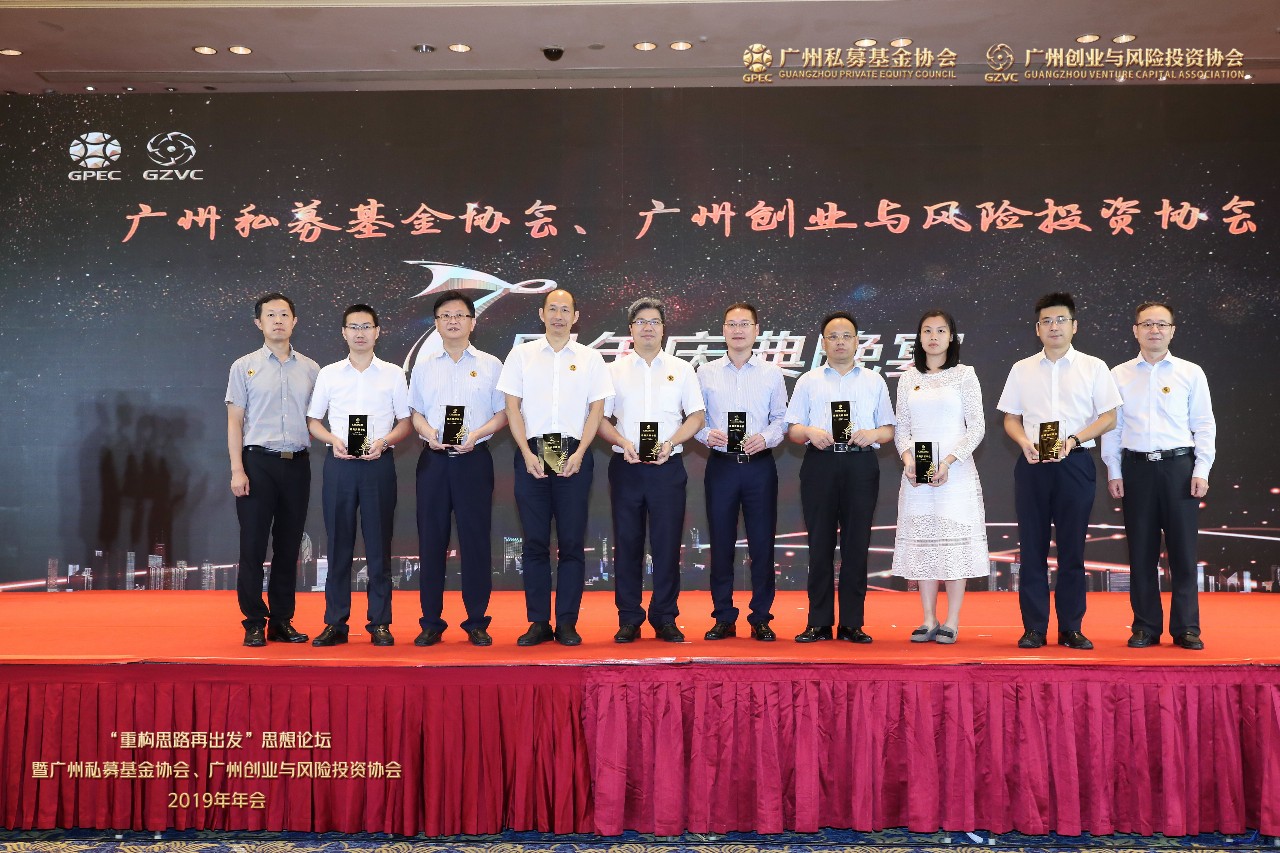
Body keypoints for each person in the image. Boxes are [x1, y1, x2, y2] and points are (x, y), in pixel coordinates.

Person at [997, 292, 1121, 650]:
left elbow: (1109, 417)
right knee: (1031, 549)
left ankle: (1071, 628)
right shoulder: (1022, 369)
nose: (1054, 327)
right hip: (1033, 464)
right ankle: (1034, 627)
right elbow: (1010, 418)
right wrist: (1023, 442)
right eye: (1047, 321)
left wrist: (1075, 439)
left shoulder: (1094, 367)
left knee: (1072, 549)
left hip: (1075, 462)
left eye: (1061, 320)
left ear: (1074, 326)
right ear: (1037, 329)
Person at [498, 289, 613, 646]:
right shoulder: (521, 355)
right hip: (532, 453)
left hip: (574, 453)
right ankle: (537, 622)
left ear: (575, 316)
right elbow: (512, 408)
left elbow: (597, 410)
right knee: (534, 542)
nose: (558, 316)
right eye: (553, 309)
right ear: (541, 313)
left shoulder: (591, 358)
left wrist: (581, 452)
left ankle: (566, 622)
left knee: (571, 543)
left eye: (565, 310)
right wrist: (525, 452)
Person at [1101, 302, 1216, 650]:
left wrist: (1201, 468)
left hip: (1179, 468)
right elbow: (1112, 427)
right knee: (1141, 552)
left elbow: (1204, 424)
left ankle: (1187, 628)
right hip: (1136, 469)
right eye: (1147, 324)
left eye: (1162, 324)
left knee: (1183, 553)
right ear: (1135, 330)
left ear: (1172, 331)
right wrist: (1114, 469)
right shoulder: (1118, 374)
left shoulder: (1191, 373)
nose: (1155, 330)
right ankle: (1145, 627)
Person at [597, 297, 705, 643]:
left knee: (667, 545)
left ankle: (664, 616)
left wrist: (671, 442)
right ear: (630, 329)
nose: (648, 327)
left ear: (663, 328)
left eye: (654, 321)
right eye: (641, 321)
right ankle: (629, 617)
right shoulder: (613, 370)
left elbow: (697, 416)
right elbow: (600, 419)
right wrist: (623, 441)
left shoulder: (682, 369)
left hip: (667, 467)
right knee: (627, 544)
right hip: (626, 466)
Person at [306, 304, 413, 647]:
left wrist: (384, 442)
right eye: (353, 327)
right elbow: (313, 421)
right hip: (339, 465)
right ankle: (335, 623)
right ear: (344, 332)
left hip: (378, 465)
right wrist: (332, 439)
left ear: (377, 331)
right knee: (338, 544)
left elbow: (405, 422)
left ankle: (379, 622)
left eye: (366, 326)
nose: (360, 333)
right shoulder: (329, 374)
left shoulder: (393, 374)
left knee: (379, 545)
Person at [786, 311, 895, 644]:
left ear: (857, 341)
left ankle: (852, 623)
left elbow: (888, 430)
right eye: (833, 336)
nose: (840, 342)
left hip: (861, 465)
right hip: (820, 464)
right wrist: (809, 432)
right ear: (823, 343)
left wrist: (871, 433)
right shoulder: (808, 381)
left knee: (856, 545)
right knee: (819, 544)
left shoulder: (874, 380)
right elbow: (793, 430)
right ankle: (818, 622)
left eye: (846, 336)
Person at [408, 290, 508, 648]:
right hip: (434, 462)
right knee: (431, 542)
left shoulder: (491, 365)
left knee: (476, 542)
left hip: (474, 461)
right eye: (445, 316)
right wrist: (428, 434)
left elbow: (503, 413)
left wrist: (477, 435)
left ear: (473, 322)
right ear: (436, 323)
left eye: (460, 315)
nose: (453, 321)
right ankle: (431, 622)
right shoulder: (423, 366)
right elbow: (415, 413)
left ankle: (477, 621)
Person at [226, 293, 319, 647]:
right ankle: (253, 621)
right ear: (258, 323)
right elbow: (234, 422)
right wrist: (237, 469)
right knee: (252, 545)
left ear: (294, 321)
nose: (278, 320)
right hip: (257, 463)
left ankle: (281, 621)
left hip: (297, 464)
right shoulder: (243, 366)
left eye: (284, 314)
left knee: (288, 546)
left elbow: (319, 419)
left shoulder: (311, 369)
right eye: (270, 315)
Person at [891, 310, 989, 644]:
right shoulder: (908, 378)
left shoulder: (964, 375)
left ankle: (952, 620)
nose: (934, 337)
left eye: (941, 330)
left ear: (951, 337)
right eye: (927, 331)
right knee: (924, 544)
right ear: (919, 338)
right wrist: (907, 459)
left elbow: (976, 427)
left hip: (955, 473)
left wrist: (948, 461)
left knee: (953, 544)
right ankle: (928, 618)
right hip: (917, 475)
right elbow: (902, 427)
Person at [696, 303, 789, 642]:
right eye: (732, 324)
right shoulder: (705, 373)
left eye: (744, 324)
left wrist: (765, 438)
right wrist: (706, 434)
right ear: (723, 330)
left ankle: (761, 617)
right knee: (721, 545)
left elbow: (782, 419)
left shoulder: (771, 373)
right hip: (721, 467)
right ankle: (723, 617)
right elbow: (694, 419)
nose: (738, 330)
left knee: (762, 545)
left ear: (756, 330)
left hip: (759, 467)